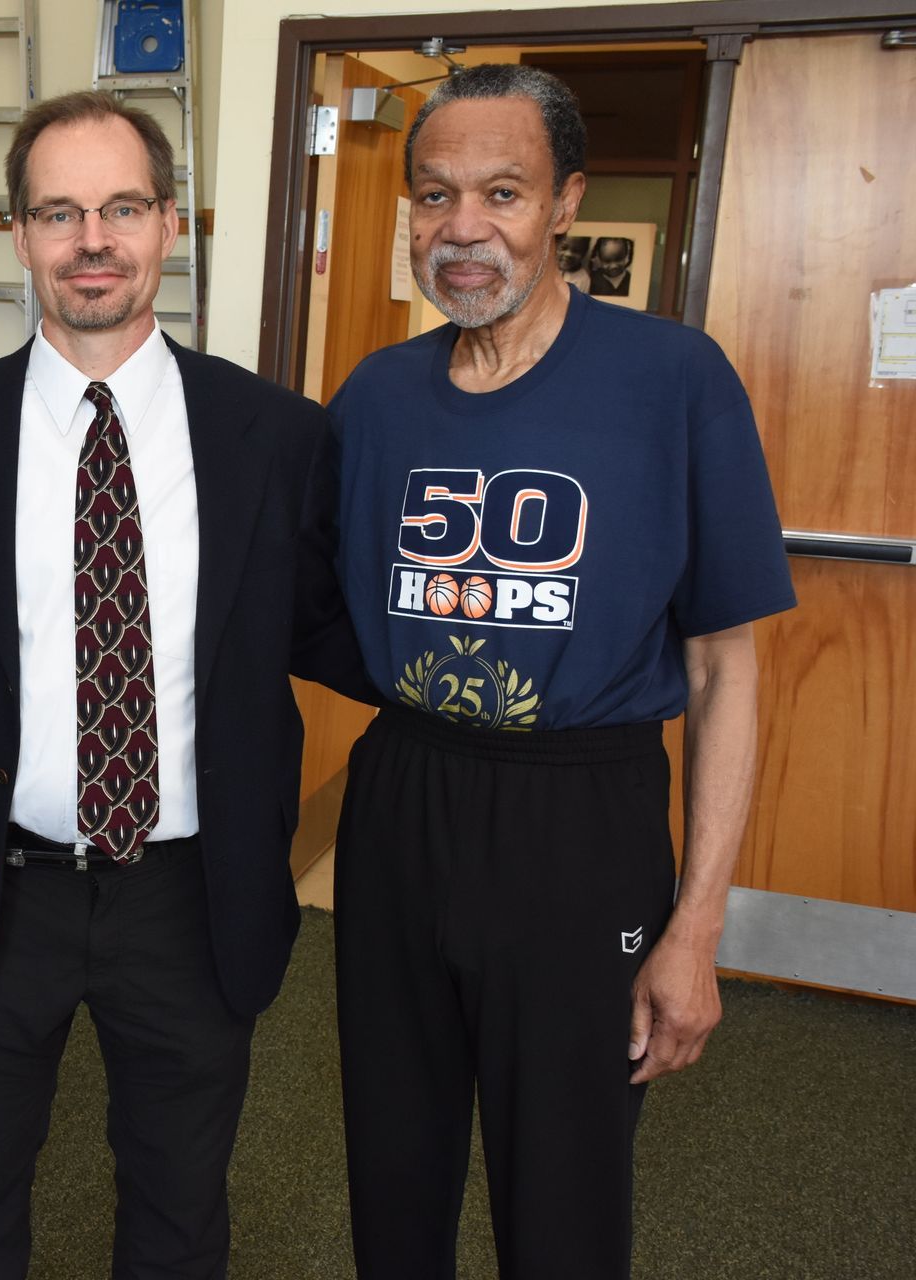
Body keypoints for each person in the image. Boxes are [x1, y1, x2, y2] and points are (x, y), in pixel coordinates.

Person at [0, 90, 363, 1278]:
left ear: (170, 223)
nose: (94, 238)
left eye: (122, 206)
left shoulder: (277, 436)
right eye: (60, 211)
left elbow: (323, 625)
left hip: (193, 894)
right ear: (20, 234)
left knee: (180, 1209)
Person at [327, 64, 794, 1278]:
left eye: (502, 191)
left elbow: (727, 669)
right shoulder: (374, 397)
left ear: (567, 201)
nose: (463, 227)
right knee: (392, 1163)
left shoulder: (674, 381)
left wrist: (697, 924)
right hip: (404, 805)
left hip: (583, 821)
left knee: (566, 1194)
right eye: (434, 196)